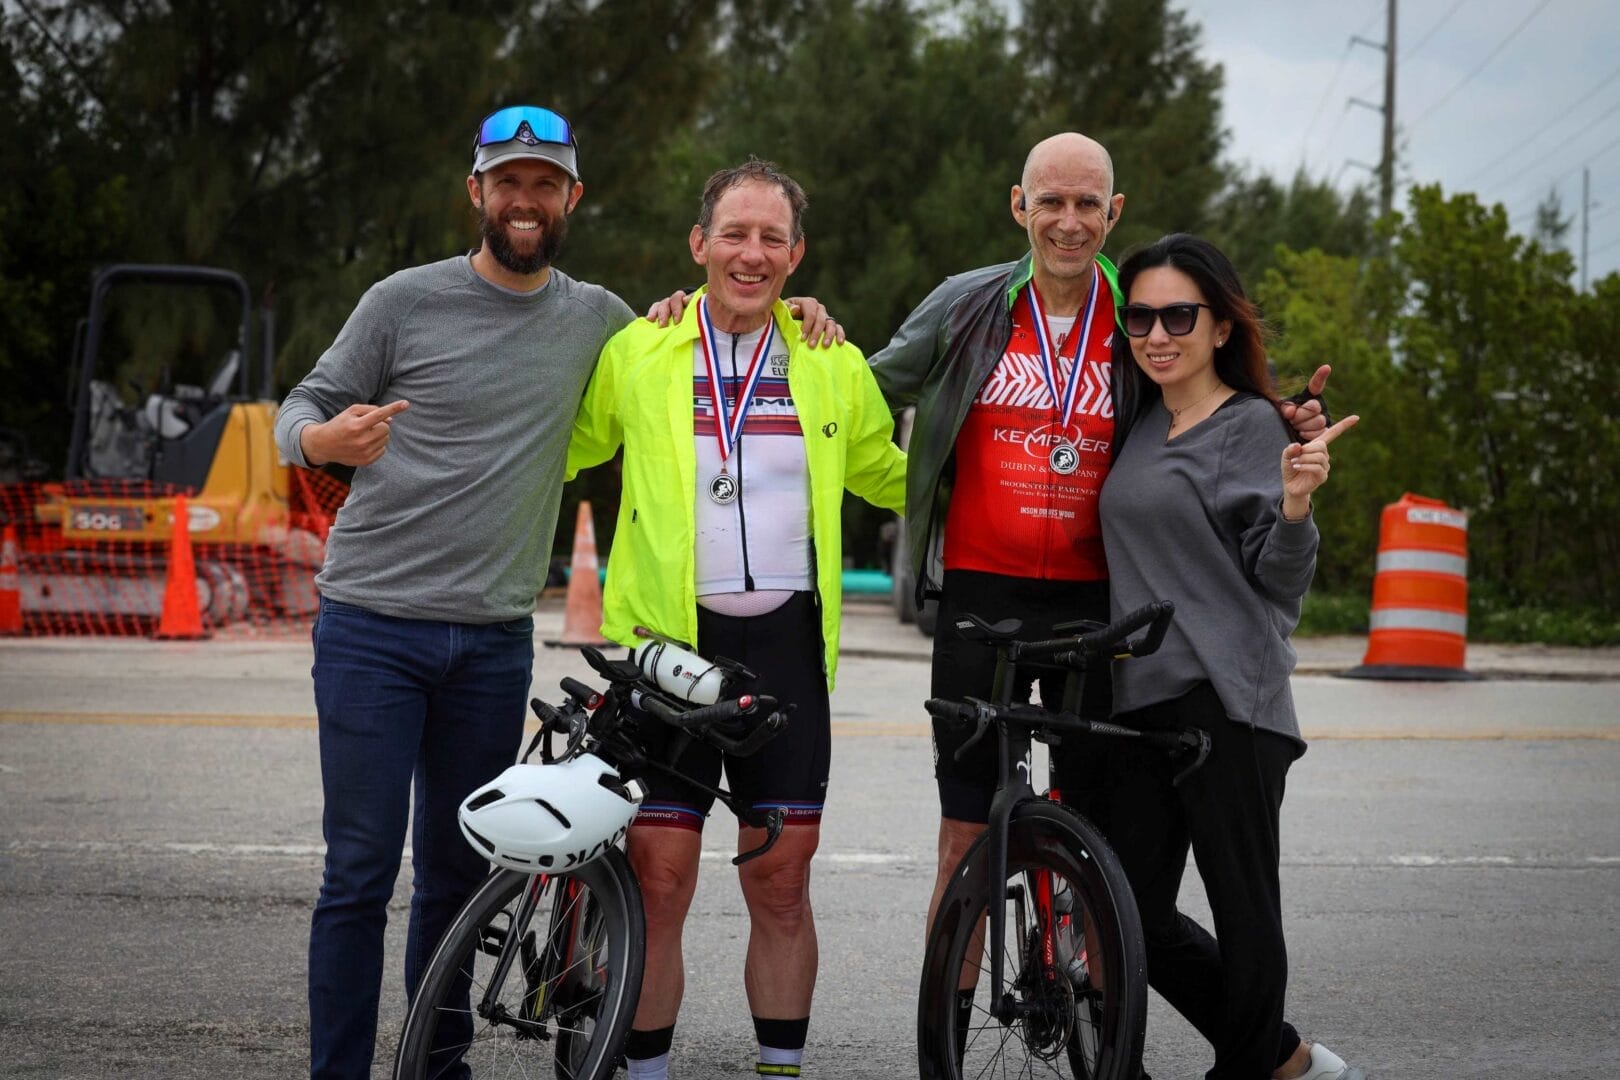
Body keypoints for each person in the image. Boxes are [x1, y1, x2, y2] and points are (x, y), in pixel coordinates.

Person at [862, 131, 1332, 1057]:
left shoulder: (1139, 319)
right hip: (979, 597)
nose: (1069, 221)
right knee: (966, 837)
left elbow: (1204, 400)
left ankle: (1101, 1037)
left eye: (1089, 204)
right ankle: (943, 1049)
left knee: (1099, 853)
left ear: (1113, 213)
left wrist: (1282, 423)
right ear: (1018, 206)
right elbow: (860, 390)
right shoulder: (967, 306)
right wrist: (778, 325)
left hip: (1099, 611)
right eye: (1051, 202)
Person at [565, 158, 907, 1080]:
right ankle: (644, 1070)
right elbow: (558, 444)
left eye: (770, 238)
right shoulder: (640, 350)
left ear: (796, 255)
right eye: (733, 234)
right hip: (667, 650)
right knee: (658, 882)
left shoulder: (831, 359)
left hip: (786, 648)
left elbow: (897, 473)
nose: (749, 254)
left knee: (782, 884)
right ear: (698, 245)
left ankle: (780, 1071)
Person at [1094, 232, 1363, 1080]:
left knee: (1246, 914)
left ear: (1219, 327)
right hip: (1139, 700)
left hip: (1227, 698)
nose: (1158, 333)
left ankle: (1248, 1070)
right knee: (1128, 909)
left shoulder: (1251, 426)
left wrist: (1293, 505)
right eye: (1140, 316)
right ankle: (1283, 1058)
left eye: (1180, 314)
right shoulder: (1137, 422)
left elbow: (1278, 584)